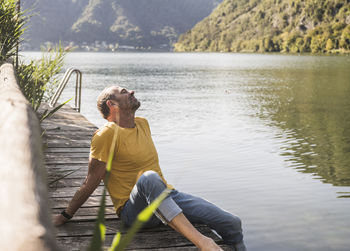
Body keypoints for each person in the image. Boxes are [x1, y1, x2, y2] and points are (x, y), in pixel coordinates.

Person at [54, 86, 247, 251]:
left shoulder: (143, 124)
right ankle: (203, 242)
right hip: (134, 212)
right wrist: (65, 215)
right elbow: (91, 181)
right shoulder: (105, 135)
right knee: (149, 178)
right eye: (123, 92)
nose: (131, 91)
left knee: (231, 222)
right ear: (111, 105)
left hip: (166, 195)